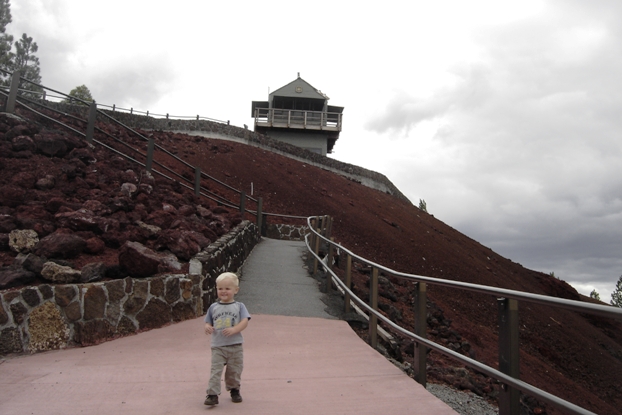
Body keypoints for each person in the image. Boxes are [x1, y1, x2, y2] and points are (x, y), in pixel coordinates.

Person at [203, 272, 251, 406]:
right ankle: (212, 394)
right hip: (218, 346)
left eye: (227, 288)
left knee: (234, 370)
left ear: (236, 290)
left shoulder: (240, 306)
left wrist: (235, 329)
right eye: (220, 288)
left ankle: (234, 389)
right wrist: (207, 327)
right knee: (215, 371)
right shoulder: (213, 307)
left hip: (235, 345)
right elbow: (208, 322)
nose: (223, 291)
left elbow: (245, 321)